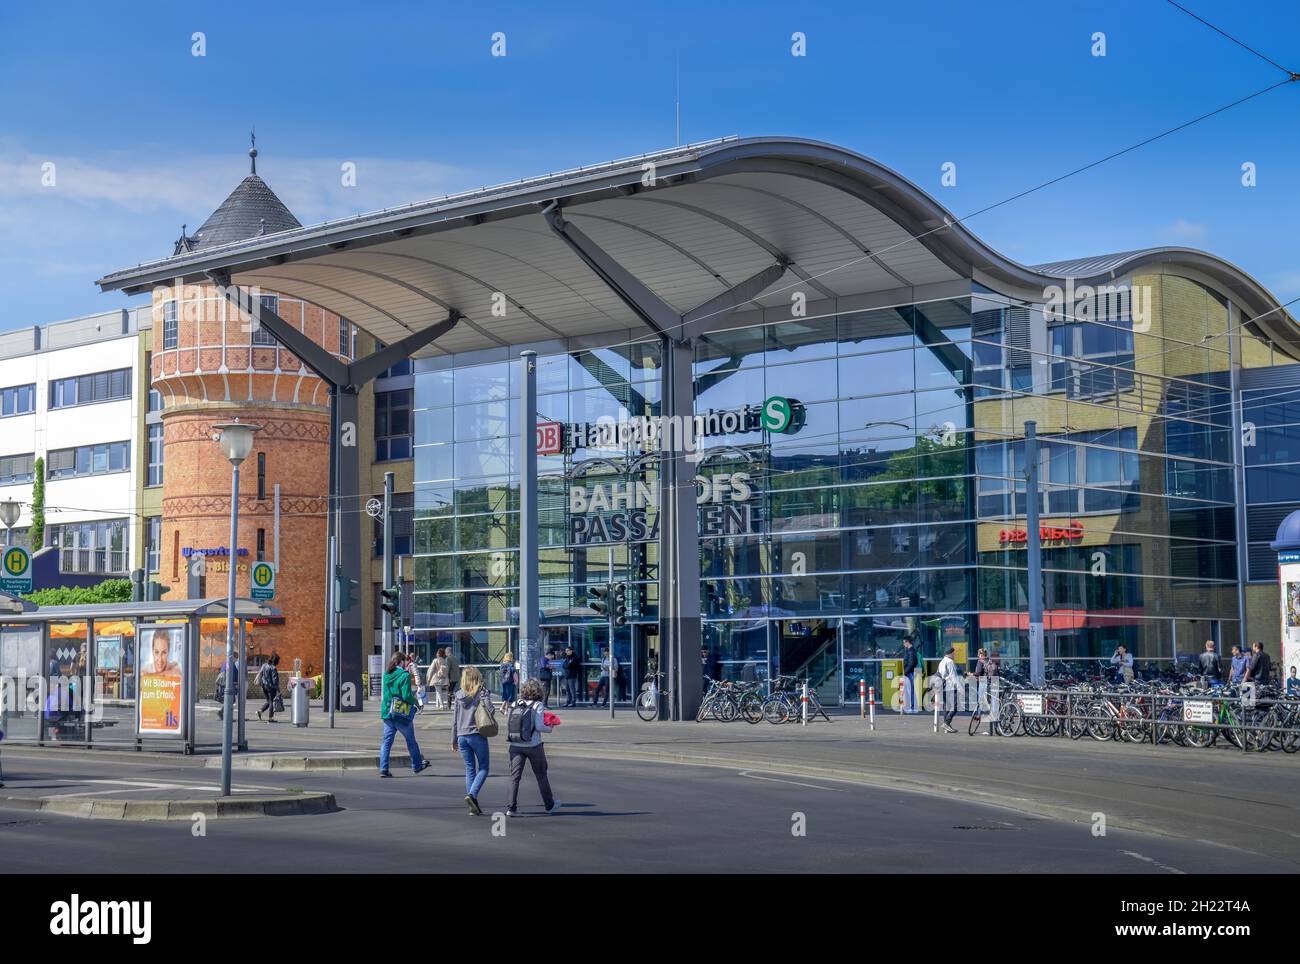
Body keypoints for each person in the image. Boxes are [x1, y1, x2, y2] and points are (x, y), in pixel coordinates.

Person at [505, 678, 561, 817]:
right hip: (533, 745)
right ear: (538, 691)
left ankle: (511, 808)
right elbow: (540, 726)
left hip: (515, 744)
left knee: (515, 777)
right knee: (541, 775)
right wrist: (550, 728)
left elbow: (509, 721)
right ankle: (549, 805)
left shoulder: (515, 703)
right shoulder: (538, 705)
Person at [450, 665, 495, 815]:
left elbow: (455, 720)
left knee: (470, 769)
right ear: (477, 678)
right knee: (484, 767)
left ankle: (472, 806)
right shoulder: (481, 693)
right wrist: (485, 695)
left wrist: (453, 739)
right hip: (477, 734)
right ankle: (472, 795)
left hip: (462, 736)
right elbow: (490, 711)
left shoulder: (458, 695)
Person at [379, 653, 430, 778]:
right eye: (406, 662)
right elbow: (406, 695)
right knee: (411, 741)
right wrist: (417, 704)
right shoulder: (404, 675)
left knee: (386, 742)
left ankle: (383, 769)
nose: (407, 664)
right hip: (401, 714)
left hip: (387, 713)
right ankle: (417, 765)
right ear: (402, 662)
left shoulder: (386, 674)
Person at [935, 646, 960, 733]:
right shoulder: (950, 662)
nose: (954, 655)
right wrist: (959, 687)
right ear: (951, 653)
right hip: (951, 686)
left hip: (944, 687)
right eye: (954, 653)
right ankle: (947, 723)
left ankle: (947, 725)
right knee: (955, 706)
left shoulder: (942, 661)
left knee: (947, 706)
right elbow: (953, 676)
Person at [255, 653, 281, 722]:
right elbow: (274, 680)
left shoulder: (264, 665)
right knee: (271, 702)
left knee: (269, 701)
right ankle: (270, 718)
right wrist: (278, 689)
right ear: (276, 661)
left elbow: (261, 674)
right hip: (271, 687)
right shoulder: (273, 668)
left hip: (264, 686)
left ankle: (260, 711)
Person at [216, 652, 239, 721]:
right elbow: (233, 675)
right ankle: (227, 716)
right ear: (234, 657)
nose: (237, 660)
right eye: (236, 658)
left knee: (228, 701)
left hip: (224, 685)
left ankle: (222, 713)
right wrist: (236, 683)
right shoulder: (231, 664)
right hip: (229, 686)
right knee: (230, 701)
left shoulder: (226, 663)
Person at [901, 637, 919, 714]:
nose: (903, 644)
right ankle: (912, 707)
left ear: (908, 642)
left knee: (911, 690)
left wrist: (905, 672)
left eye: (904, 642)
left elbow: (911, 663)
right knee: (910, 690)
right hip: (909, 672)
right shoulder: (909, 651)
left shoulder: (911, 651)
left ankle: (913, 707)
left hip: (909, 673)